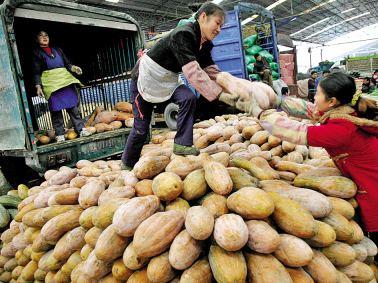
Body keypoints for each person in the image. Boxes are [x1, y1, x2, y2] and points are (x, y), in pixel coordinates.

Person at [250, 72, 378, 242]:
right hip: (363, 173)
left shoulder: (341, 130)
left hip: (371, 182)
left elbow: (296, 132)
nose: (314, 97)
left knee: (375, 232)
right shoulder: (345, 110)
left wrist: (260, 114)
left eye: (317, 93)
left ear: (332, 101)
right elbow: (310, 109)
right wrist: (279, 101)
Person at [121, 2, 225, 170]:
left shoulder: (204, 44)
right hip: (145, 80)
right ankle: (127, 164)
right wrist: (220, 95)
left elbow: (210, 70)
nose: (219, 29)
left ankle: (182, 143)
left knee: (188, 97)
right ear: (203, 17)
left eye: (222, 26)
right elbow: (193, 73)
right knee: (141, 129)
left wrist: (231, 86)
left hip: (168, 80)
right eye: (217, 23)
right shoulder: (183, 34)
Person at [32, 31, 91, 142]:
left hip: (65, 81)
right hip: (51, 84)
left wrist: (74, 68)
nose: (44, 37)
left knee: (73, 108)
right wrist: (38, 86)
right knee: (56, 111)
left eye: (46, 35)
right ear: (37, 40)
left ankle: (81, 130)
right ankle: (60, 135)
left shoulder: (57, 50)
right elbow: (36, 71)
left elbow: (67, 64)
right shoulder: (37, 53)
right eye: (41, 36)